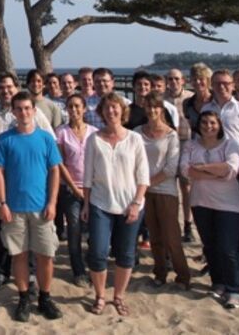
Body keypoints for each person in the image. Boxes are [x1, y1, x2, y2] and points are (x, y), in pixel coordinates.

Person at [0, 72, 54, 291]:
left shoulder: (33, 114)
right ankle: (1, 271)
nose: (5, 90)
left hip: (30, 185)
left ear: (16, 87)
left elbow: (49, 147)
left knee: (31, 238)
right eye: (0, 87)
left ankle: (29, 275)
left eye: (9, 87)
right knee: (2, 232)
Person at [0, 92, 63, 322]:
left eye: (27, 108)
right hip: (14, 208)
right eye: (19, 108)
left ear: (34, 110)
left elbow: (55, 171)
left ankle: (44, 297)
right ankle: (23, 298)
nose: (23, 112)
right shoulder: (5, 139)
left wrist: (52, 203)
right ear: (13, 111)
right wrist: (2, 203)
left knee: (45, 255)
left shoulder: (45, 138)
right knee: (19, 255)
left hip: (41, 208)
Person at [82, 92, 149, 317]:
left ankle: (118, 296)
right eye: (107, 108)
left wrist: (136, 203)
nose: (111, 111)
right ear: (101, 112)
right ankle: (100, 295)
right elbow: (88, 175)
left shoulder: (134, 139)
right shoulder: (94, 139)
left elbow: (143, 176)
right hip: (100, 203)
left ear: (122, 110)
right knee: (98, 252)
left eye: (115, 107)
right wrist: (86, 204)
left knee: (126, 253)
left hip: (131, 205)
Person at [179, 110, 239, 309]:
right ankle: (218, 283)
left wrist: (202, 168)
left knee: (227, 248)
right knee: (210, 246)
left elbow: (231, 169)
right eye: (205, 122)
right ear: (198, 125)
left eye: (213, 123)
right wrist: (214, 172)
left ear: (220, 125)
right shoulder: (191, 145)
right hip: (200, 202)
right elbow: (185, 170)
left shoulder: (230, 143)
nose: (208, 126)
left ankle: (234, 289)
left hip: (228, 204)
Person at [202, 69, 239, 286]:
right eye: (217, 84)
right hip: (213, 170)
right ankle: (218, 262)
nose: (222, 87)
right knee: (215, 217)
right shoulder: (207, 109)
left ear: (233, 85)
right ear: (212, 86)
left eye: (226, 83)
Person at [135, 92, 190, 290]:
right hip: (143, 192)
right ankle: (160, 273)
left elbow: (170, 168)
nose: (152, 110)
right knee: (155, 236)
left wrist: (146, 183)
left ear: (162, 109)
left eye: (155, 107)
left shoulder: (171, 134)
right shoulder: (137, 132)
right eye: (148, 107)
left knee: (171, 236)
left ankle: (183, 275)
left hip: (165, 190)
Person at [55, 93, 97, 286]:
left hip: (93, 188)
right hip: (70, 189)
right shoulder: (61, 132)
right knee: (74, 228)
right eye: (70, 106)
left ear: (84, 108)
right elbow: (60, 164)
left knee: (94, 229)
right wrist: (73, 187)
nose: (74, 110)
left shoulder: (95, 133)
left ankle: (95, 264)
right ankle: (78, 271)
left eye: (77, 106)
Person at [180, 63, 212, 241]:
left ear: (208, 80)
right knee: (192, 191)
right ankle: (190, 227)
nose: (198, 82)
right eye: (195, 79)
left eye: (202, 79)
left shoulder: (214, 100)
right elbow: (192, 127)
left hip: (214, 151)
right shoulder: (188, 103)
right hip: (196, 150)